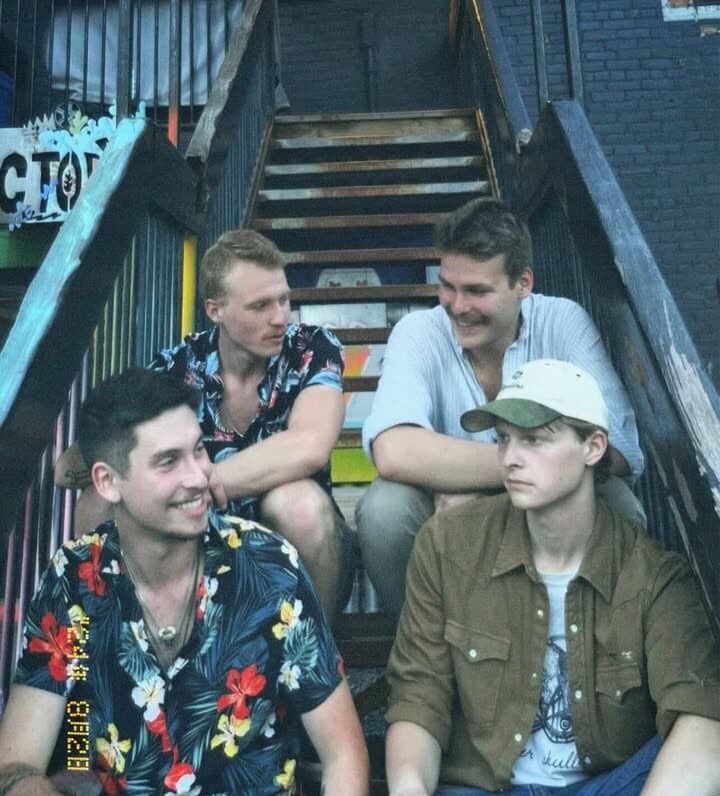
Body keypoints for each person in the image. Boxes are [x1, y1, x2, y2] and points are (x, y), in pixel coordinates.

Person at [0, 369, 369, 796]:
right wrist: (35, 784)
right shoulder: (74, 580)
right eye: (168, 461)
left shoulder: (267, 568)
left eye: (199, 451)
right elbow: (20, 759)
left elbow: (343, 753)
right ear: (107, 481)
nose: (198, 478)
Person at [385, 358, 720, 796]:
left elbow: (699, 714)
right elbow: (418, 699)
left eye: (534, 440)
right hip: (484, 788)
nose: (510, 459)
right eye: (503, 440)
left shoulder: (653, 574)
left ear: (593, 447)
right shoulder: (448, 545)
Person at [357, 198, 645, 622]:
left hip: (543, 503)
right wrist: (529, 466)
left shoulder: (562, 322)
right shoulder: (419, 330)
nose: (456, 305)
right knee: (385, 510)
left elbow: (616, 451)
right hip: (450, 512)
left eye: (477, 291)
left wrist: (483, 493)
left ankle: (590, 651)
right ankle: (422, 650)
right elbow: (394, 451)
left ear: (522, 284)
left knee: (618, 506)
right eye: (448, 285)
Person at [56, 228, 354, 622]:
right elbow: (67, 472)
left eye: (284, 299)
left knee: (298, 503)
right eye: (260, 306)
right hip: (199, 539)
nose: (280, 318)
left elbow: (310, 445)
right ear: (215, 310)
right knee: (100, 502)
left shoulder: (312, 348)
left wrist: (205, 481)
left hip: (304, 543)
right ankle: (100, 645)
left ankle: (317, 657)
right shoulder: (180, 367)